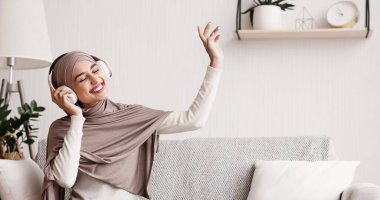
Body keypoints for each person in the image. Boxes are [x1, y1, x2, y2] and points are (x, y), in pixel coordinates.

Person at [42, 22, 224, 200]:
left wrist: (216, 62)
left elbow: (193, 120)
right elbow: (65, 180)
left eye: (95, 70)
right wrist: (76, 118)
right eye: (82, 79)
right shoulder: (62, 129)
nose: (94, 79)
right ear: (69, 93)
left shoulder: (132, 116)